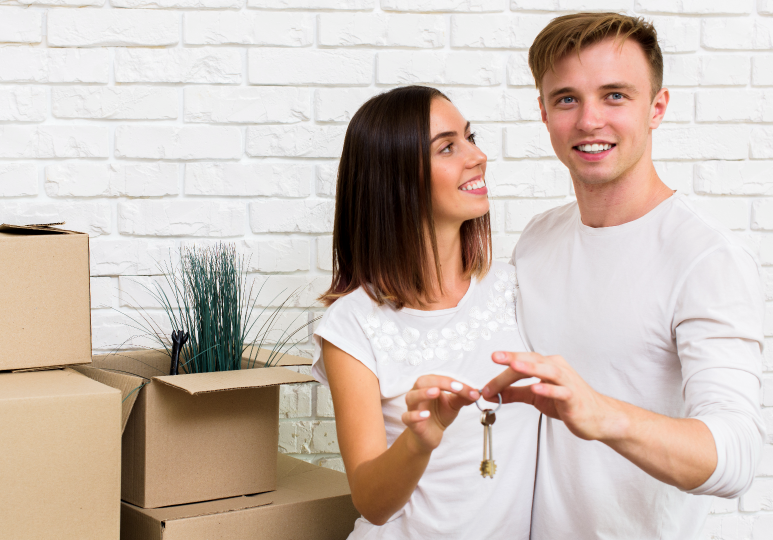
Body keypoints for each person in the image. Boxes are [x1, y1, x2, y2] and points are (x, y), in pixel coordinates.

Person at [481, 13, 766, 539]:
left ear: (656, 108)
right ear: (543, 113)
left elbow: (738, 455)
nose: (590, 120)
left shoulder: (707, 258)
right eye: (567, 99)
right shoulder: (538, 239)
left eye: (615, 95)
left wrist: (605, 414)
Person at [310, 85, 540, 539]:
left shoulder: (518, 288)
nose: (476, 156)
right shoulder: (352, 326)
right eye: (448, 147)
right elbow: (373, 505)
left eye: (471, 138)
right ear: (396, 178)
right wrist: (421, 437)